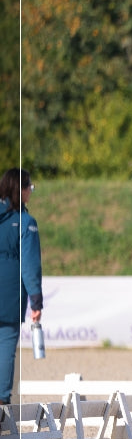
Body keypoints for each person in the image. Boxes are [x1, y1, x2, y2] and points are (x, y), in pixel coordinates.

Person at [0, 169, 43, 405]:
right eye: (30, 187)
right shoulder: (26, 222)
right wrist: (36, 301)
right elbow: (30, 266)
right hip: (9, 294)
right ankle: (1, 402)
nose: (31, 191)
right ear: (22, 189)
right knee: (6, 345)